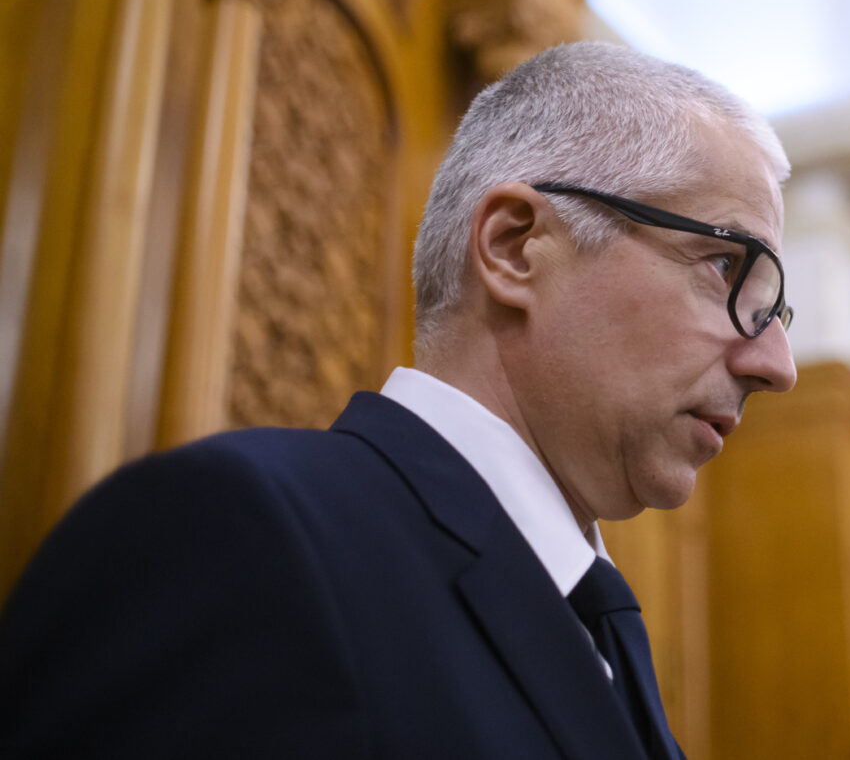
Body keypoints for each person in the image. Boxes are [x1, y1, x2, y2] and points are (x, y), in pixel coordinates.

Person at [0, 41, 797, 758]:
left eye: (776, 312)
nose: (778, 365)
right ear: (516, 246)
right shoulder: (234, 535)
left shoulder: (600, 623)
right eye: (725, 269)